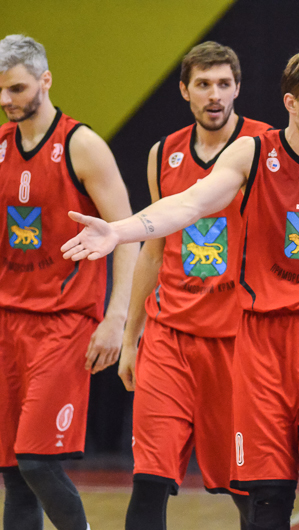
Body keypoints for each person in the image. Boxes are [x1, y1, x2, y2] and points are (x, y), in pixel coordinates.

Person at [61, 41, 299, 530]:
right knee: (264, 501)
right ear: (291, 103)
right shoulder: (252, 152)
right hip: (259, 339)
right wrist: (120, 231)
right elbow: (190, 204)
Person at [119, 42, 271, 530]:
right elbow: (153, 250)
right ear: (185, 90)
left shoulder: (265, 146)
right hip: (169, 337)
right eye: (203, 84)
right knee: (148, 481)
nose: (214, 95)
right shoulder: (162, 153)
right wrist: (130, 336)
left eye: (224, 84)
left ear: (238, 88)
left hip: (237, 341)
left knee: (247, 493)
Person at [0, 35, 137, 530]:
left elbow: (127, 236)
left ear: (46, 80)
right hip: (8, 322)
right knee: (13, 473)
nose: (6, 99)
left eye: (17, 88)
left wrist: (117, 319)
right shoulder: (1, 145)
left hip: (63, 323)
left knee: (37, 463)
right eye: (0, 90)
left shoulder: (82, 146)